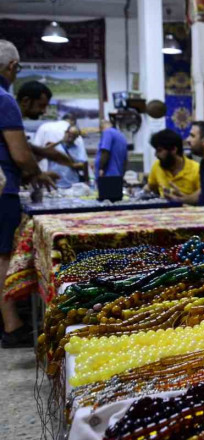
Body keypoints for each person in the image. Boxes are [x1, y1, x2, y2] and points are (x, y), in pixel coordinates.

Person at [0, 40, 58, 348]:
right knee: (3, 257)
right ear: (12, 67)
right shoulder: (4, 99)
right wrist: (38, 173)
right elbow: (21, 155)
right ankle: (13, 324)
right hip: (2, 189)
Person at [15, 81, 84, 174]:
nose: (44, 111)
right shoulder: (10, 117)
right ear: (25, 101)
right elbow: (19, 156)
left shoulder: (17, 121)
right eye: (41, 105)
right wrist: (38, 174)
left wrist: (44, 152)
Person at [145, 128, 200, 197]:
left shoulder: (196, 169)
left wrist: (184, 199)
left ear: (174, 149)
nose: (156, 155)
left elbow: (203, 197)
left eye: (159, 150)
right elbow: (150, 187)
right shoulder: (157, 166)